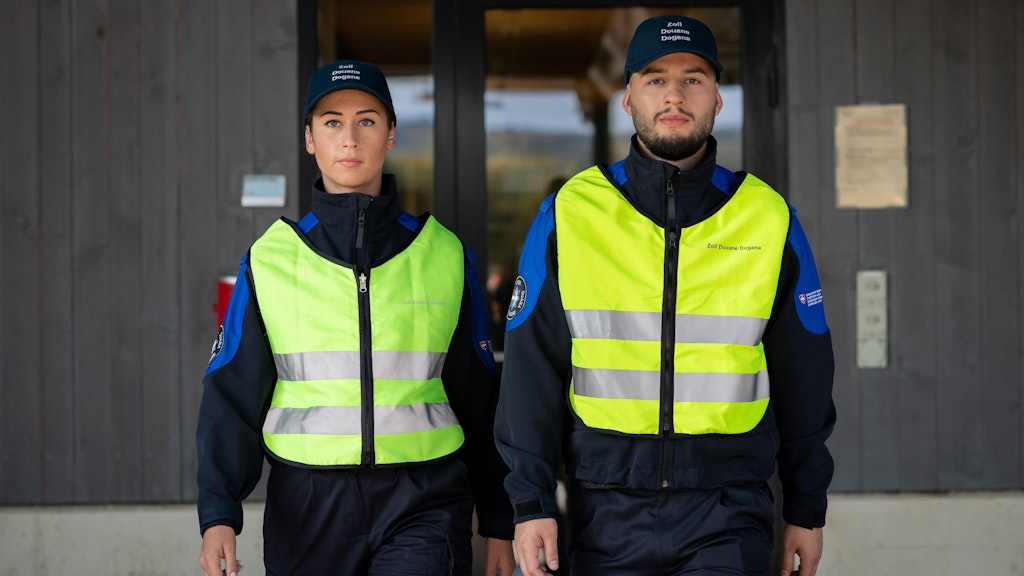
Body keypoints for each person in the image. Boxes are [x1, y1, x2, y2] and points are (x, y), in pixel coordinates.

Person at [494, 14, 835, 576]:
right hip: (603, 507)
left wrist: (806, 506)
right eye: (654, 78)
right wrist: (530, 504)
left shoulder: (767, 217)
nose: (674, 94)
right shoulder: (570, 214)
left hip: (729, 508)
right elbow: (531, 370)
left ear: (718, 98)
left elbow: (806, 374)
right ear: (626, 97)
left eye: (693, 78)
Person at [196, 59, 515, 576]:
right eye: (332, 122)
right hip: (308, 509)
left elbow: (480, 397)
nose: (350, 138)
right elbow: (232, 396)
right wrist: (218, 515)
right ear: (309, 139)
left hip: (424, 501)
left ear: (390, 135)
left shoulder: (443, 254)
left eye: (367, 120)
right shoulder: (269, 260)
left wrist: (500, 519)